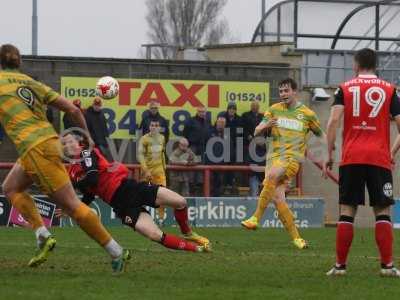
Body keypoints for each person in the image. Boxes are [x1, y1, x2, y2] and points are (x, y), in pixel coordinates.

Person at [0, 44, 129, 273]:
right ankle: (42, 235)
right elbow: (74, 111)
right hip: (48, 143)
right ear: (18, 62)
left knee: (72, 205)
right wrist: (87, 137)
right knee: (11, 187)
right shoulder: (32, 83)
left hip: (35, 148)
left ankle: (117, 251)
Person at [61, 133, 210, 252]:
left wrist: (73, 185)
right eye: (64, 143)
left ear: (78, 142)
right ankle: (197, 249)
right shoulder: (72, 171)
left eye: (70, 141)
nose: (68, 145)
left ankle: (187, 233)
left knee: (181, 202)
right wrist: (76, 207)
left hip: (129, 188)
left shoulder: (86, 153)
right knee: (155, 235)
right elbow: (89, 194)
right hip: (120, 204)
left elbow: (92, 178)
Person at [324, 48, 400, 277]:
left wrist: (329, 152)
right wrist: (392, 152)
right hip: (378, 158)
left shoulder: (344, 88)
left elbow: (332, 122)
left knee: (347, 211)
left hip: (351, 157)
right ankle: (387, 267)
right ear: (375, 65)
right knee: (383, 211)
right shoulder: (390, 90)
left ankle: (340, 267)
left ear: (356, 64)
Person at [241, 78, 325, 250]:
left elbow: (320, 134)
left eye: (286, 91)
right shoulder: (274, 110)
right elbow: (257, 130)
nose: (283, 94)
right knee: (278, 199)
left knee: (272, 176)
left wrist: (327, 154)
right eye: (280, 91)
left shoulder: (307, 114)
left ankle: (255, 217)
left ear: (295, 92)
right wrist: (265, 126)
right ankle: (297, 238)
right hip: (273, 158)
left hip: (292, 158)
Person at [138, 120, 167, 221]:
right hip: (147, 172)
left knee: (163, 194)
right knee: (142, 195)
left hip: (159, 172)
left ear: (159, 128)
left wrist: (164, 166)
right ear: (149, 127)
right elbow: (140, 155)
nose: (154, 127)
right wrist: (145, 170)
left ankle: (161, 219)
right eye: (152, 125)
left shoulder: (162, 138)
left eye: (156, 125)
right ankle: (140, 216)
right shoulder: (144, 139)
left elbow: (162, 153)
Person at [241, 101, 266, 197]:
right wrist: (249, 136)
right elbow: (249, 161)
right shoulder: (245, 115)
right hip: (254, 174)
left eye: (257, 106)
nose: (255, 107)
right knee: (255, 193)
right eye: (253, 106)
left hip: (264, 175)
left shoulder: (262, 117)